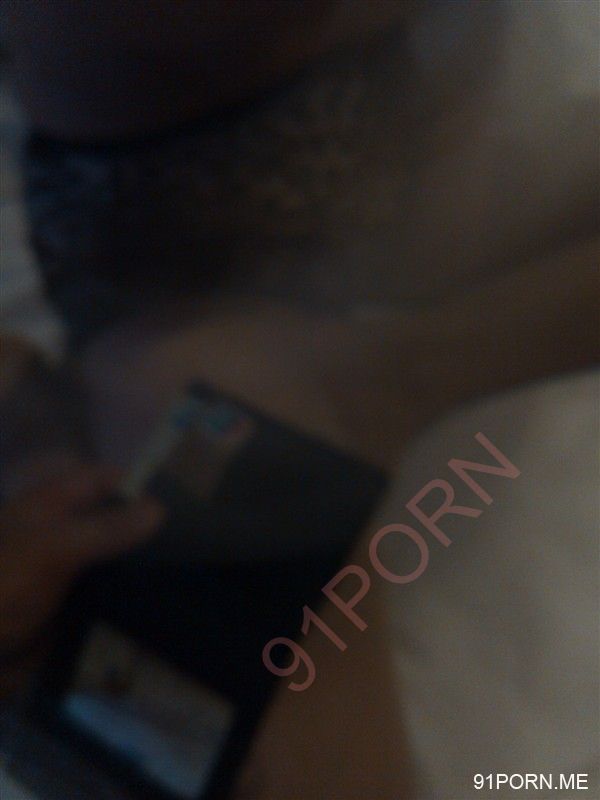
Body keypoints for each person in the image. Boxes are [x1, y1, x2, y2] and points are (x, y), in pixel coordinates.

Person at [1, 1, 598, 797]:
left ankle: (389, 371)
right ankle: (390, 375)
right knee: (200, 397)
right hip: (204, 205)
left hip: (270, 163)